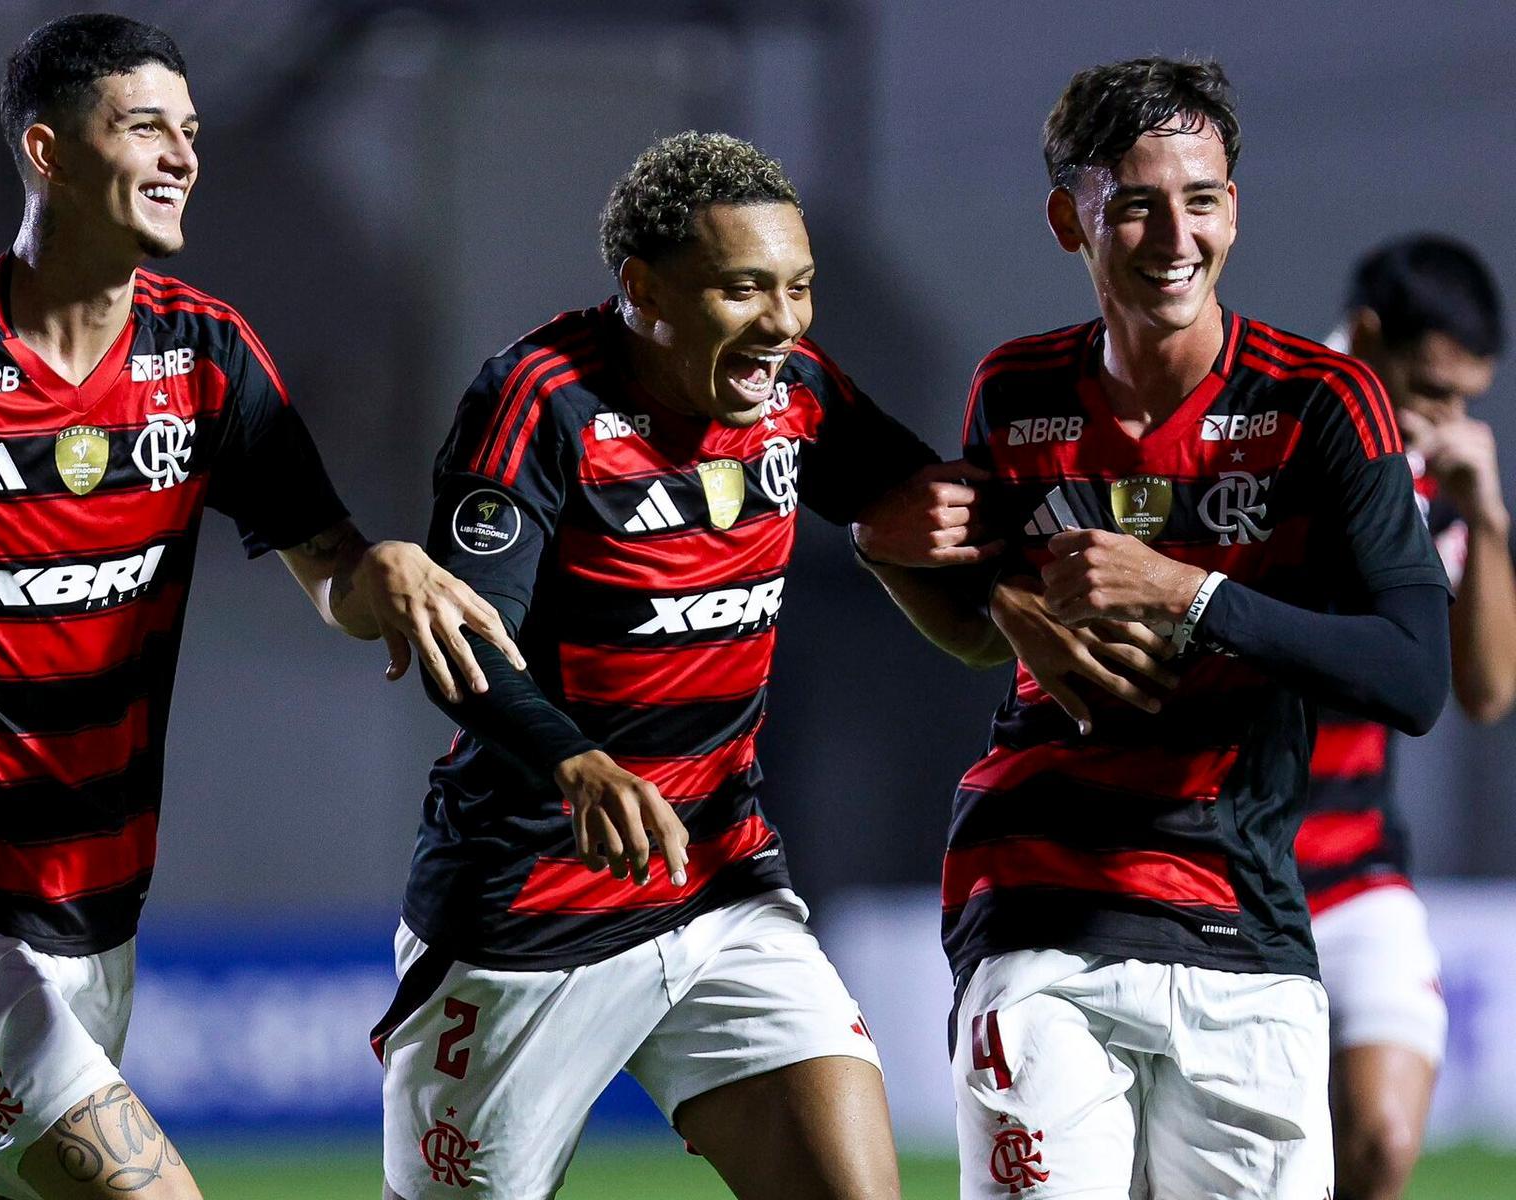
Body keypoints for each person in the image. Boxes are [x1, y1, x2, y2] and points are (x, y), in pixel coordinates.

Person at [0, 14, 519, 1200]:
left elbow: (330, 573)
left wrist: (390, 572)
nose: (183, 156)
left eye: (193, 131)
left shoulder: (207, 354)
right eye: (146, 127)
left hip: (97, 907)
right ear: (49, 153)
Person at [370, 131, 992, 1200]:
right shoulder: (540, 399)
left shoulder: (797, 390)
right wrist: (579, 766)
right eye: (744, 289)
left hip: (721, 884)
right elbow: (463, 640)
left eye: (799, 288)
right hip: (527, 910)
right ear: (643, 290)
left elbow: (920, 512)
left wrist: (1031, 595)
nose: (784, 323)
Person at [879, 59, 1451, 1198]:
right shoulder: (1015, 390)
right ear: (1068, 220)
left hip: (1238, 911)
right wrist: (944, 578)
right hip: (1037, 904)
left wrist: (1184, 591)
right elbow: (990, 618)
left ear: (1233, 207)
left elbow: (1415, 675)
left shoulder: (1322, 403)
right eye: (1134, 202)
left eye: (1200, 198)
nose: (1172, 235)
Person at [1302, 237, 1510, 1200]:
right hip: (1214, 876)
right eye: (1433, 389)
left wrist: (1489, 521)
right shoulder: (1275, 425)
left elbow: (1488, 692)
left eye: (1468, 396)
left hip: (1354, 875)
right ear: (1369, 341)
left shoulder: (1436, 478)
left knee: (1382, 1142)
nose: (1451, 418)